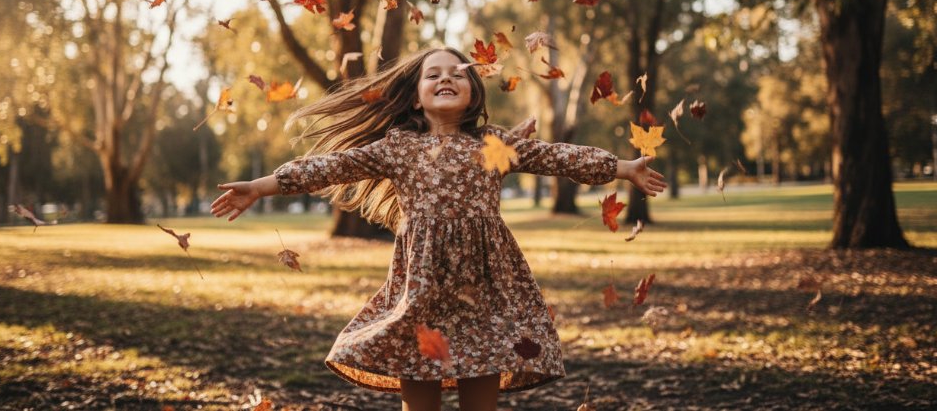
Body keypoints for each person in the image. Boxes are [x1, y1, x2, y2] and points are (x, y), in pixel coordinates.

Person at [210, 47, 666, 411]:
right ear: (414, 96)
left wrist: (623, 167)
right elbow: (328, 168)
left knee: (482, 370)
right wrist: (260, 186)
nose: (446, 78)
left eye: (458, 73)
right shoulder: (398, 148)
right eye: (433, 74)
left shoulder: (494, 144)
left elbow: (556, 156)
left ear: (474, 94)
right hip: (421, 284)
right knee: (418, 374)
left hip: (485, 283)